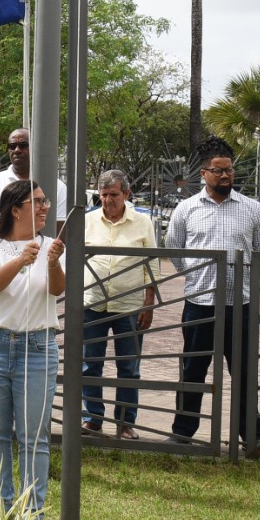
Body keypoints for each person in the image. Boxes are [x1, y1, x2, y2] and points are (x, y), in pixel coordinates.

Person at [0, 180, 65, 520]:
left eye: (45, 202)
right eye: (37, 202)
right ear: (15, 209)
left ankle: (32, 515)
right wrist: (20, 259)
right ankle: (1, 508)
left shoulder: (51, 246)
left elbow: (56, 290)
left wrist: (51, 262)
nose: (44, 208)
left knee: (34, 437)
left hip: (38, 347)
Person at [164, 136, 260, 447]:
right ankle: (183, 432)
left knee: (243, 372)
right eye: (218, 171)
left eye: (229, 170)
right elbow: (174, 248)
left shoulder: (252, 209)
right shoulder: (186, 209)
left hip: (241, 304)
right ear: (204, 173)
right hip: (200, 302)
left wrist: (246, 281)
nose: (225, 176)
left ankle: (251, 436)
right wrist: (195, 275)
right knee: (193, 369)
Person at [80, 169, 157, 439]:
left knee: (129, 367)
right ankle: (92, 418)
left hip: (130, 305)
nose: (108, 200)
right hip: (92, 304)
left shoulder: (142, 222)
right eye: (103, 195)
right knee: (90, 364)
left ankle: (126, 422)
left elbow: (152, 263)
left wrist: (149, 302)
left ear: (126, 194)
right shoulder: (87, 221)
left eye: (114, 194)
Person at [0, 127, 68, 241]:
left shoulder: (57, 186)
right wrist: (0, 253)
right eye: (12, 146)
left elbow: (61, 234)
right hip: (0, 256)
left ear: (35, 147)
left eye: (23, 145)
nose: (17, 150)